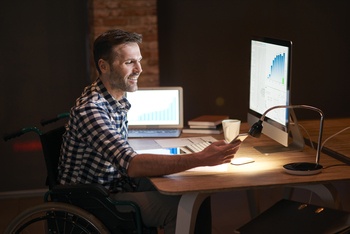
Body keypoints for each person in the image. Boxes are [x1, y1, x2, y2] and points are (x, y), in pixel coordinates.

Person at [57, 29, 241, 234]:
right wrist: (200, 158)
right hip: (95, 201)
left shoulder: (113, 99)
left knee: (195, 194)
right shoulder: (91, 110)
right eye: (129, 63)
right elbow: (132, 165)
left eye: (139, 61)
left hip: (116, 185)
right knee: (181, 209)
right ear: (104, 66)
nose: (139, 69)